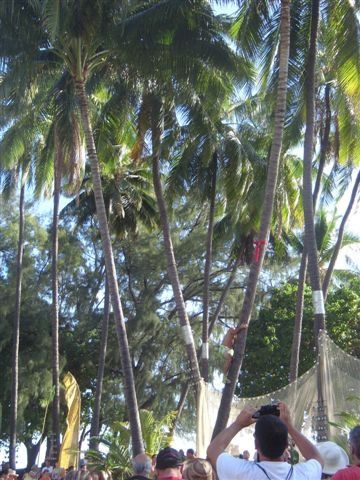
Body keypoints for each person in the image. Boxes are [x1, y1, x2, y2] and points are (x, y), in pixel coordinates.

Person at [207, 402, 324, 480]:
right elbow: (317, 457)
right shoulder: (303, 475)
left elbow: (213, 450)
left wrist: (238, 424)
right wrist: (290, 426)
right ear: (286, 445)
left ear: (256, 445)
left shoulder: (241, 473)